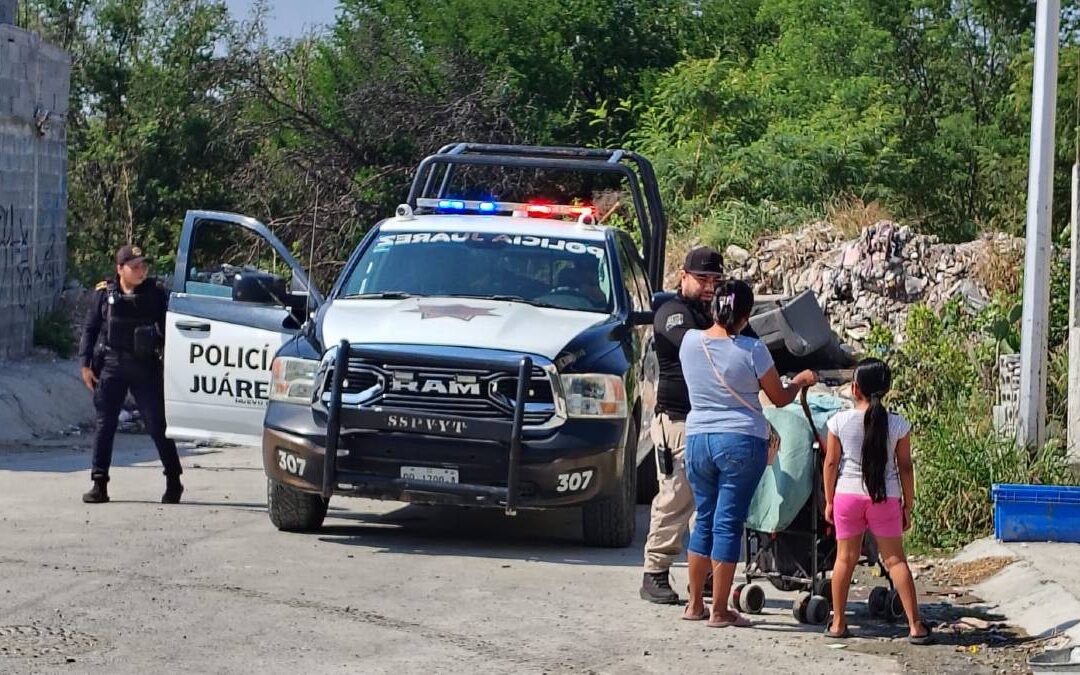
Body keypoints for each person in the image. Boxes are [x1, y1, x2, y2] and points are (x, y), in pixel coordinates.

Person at [679, 279, 816, 626]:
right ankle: (720, 610)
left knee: (705, 521)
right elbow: (780, 398)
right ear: (745, 316)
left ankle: (695, 605)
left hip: (697, 439)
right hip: (740, 441)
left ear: (713, 309)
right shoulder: (753, 350)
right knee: (728, 524)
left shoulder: (689, 342)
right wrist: (799, 381)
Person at [823, 358, 931, 643]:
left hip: (847, 495)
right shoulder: (898, 424)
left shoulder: (839, 421)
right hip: (886, 497)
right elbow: (905, 467)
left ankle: (838, 624)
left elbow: (831, 463)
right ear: (886, 389)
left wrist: (830, 500)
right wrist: (909, 503)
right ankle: (915, 626)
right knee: (895, 560)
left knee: (844, 559)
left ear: (855, 388)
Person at [639, 246, 725, 604]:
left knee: (709, 504)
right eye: (702, 278)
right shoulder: (673, 314)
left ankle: (702, 577)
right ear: (683, 277)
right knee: (676, 498)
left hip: (707, 419)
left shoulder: (712, 315)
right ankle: (654, 573)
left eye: (715, 280)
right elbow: (697, 346)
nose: (708, 286)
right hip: (679, 421)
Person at [77, 244, 184, 504]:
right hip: (112, 365)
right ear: (120, 269)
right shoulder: (105, 294)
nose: (141, 271)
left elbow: (170, 330)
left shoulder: (155, 294)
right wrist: (85, 364)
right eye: (134, 267)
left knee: (157, 424)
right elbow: (91, 329)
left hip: (145, 366)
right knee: (105, 423)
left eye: (143, 266)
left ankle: (173, 480)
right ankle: (99, 483)